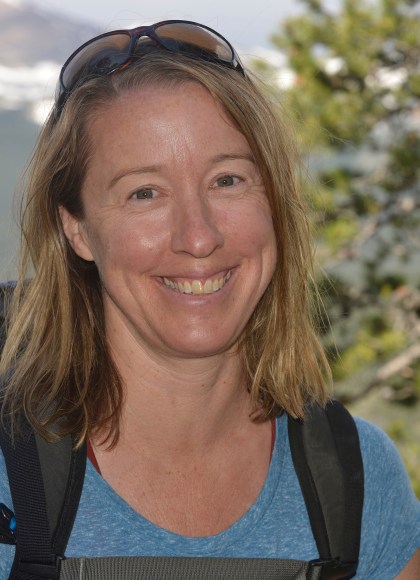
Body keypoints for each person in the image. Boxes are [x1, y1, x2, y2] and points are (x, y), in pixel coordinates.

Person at [0, 20, 419, 579]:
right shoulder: (11, 479)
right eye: (144, 193)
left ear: (275, 200)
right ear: (76, 229)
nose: (198, 237)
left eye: (227, 180)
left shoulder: (357, 482)